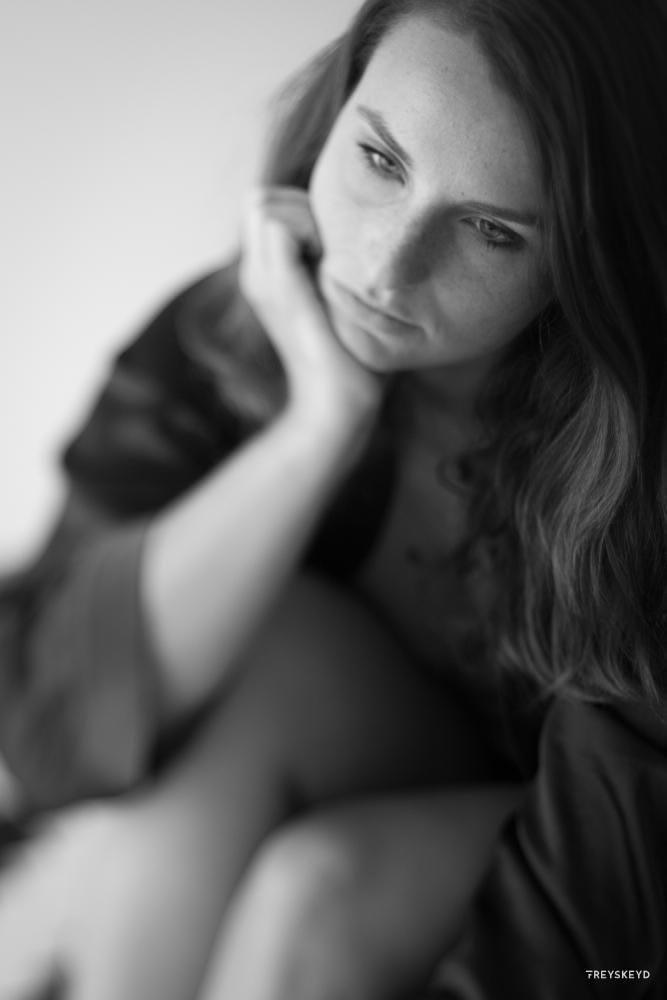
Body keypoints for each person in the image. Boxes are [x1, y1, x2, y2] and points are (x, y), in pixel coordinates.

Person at [2, 0, 667, 997]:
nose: (388, 268)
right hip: (339, 756)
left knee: (319, 891)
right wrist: (319, 426)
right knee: (269, 651)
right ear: (336, 110)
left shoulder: (636, 475)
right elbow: (38, 720)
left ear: (582, 260)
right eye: (381, 161)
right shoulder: (224, 337)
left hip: (593, 865)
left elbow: (605, 904)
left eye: (490, 230)